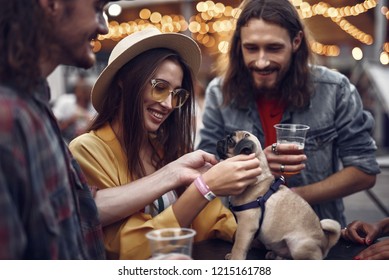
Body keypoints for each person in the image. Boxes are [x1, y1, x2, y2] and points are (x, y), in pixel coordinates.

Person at [69, 28, 262, 260]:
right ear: (124, 81)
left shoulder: (168, 148)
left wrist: (272, 233)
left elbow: (218, 222)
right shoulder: (88, 149)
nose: (169, 104)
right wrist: (203, 189)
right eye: (160, 87)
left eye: (177, 94)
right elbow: (128, 249)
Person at [197, 0, 380, 228]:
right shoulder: (219, 92)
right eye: (251, 48)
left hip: (315, 231)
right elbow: (204, 167)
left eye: (274, 48)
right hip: (241, 234)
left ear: (296, 41)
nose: (261, 61)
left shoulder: (335, 90)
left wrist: (290, 197)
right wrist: (257, 163)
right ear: (239, 45)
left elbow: (364, 170)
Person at [0, 0, 118, 259]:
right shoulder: (8, 120)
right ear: (50, 4)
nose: (104, 27)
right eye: (97, 9)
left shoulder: (32, 106)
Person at [53, 73, 97, 143]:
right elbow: (53, 127)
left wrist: (87, 127)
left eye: (86, 100)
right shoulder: (65, 101)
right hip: (64, 141)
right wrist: (71, 120)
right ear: (76, 94)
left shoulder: (94, 107)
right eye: (80, 98)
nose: (82, 102)